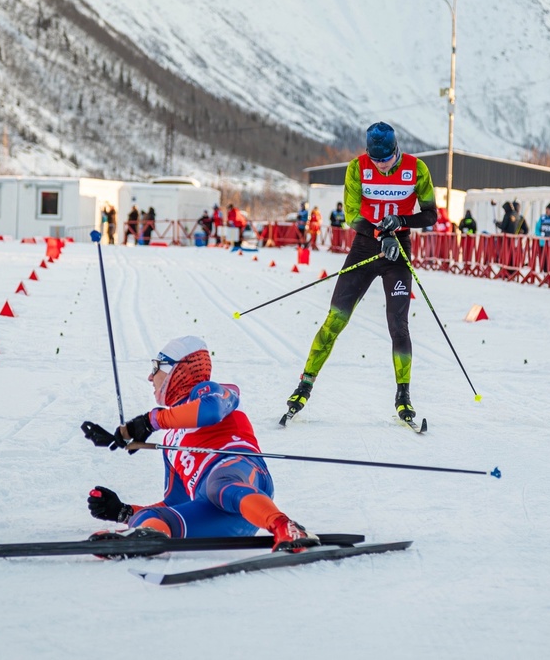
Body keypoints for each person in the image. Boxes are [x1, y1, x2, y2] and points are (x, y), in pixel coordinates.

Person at [80, 336, 318, 553]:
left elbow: (210, 411)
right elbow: (176, 502)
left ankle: (287, 527)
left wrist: (151, 421)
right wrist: (123, 511)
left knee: (219, 484)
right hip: (221, 516)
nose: (150, 377)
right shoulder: (171, 440)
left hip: (245, 480)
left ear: (178, 370)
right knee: (155, 516)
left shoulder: (214, 392)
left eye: (156, 368)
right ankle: (144, 539)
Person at [285, 122, 438, 425]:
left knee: (398, 324)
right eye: (376, 159)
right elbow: (352, 216)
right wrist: (381, 233)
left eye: (387, 159)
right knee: (335, 319)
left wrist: (401, 220)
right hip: (366, 247)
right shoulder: (357, 168)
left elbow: (431, 214)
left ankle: (403, 395)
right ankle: (305, 384)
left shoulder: (416, 168)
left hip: (399, 250)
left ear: (396, 150)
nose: (382, 166)